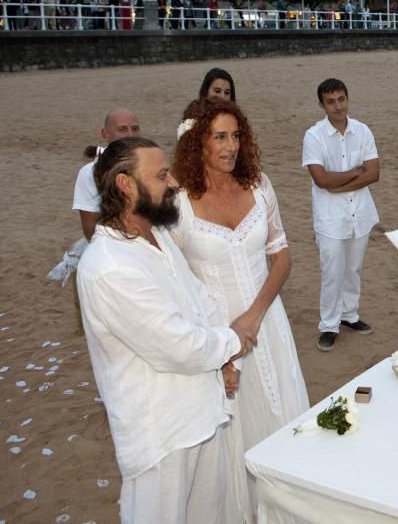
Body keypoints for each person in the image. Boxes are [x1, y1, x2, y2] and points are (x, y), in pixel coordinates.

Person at [77, 136, 255, 524]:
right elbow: (176, 345)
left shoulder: (154, 235)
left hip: (203, 415)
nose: (173, 182)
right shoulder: (108, 266)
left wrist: (224, 360)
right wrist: (232, 343)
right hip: (160, 437)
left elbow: (201, 300)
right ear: (126, 185)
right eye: (160, 175)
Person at [172, 100, 308, 523]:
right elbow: (177, 286)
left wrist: (255, 316)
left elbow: (281, 257)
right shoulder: (178, 204)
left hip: (268, 325)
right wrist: (222, 343)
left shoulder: (259, 184)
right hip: (216, 337)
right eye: (219, 137)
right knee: (232, 437)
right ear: (198, 143)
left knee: (281, 416)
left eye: (236, 136)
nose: (230, 147)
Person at [302, 78, 380, 352]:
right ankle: (329, 324)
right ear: (322, 104)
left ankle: (350, 315)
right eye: (331, 101)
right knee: (332, 271)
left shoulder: (363, 131)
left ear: (348, 98)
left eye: (341, 99)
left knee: (353, 268)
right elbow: (321, 180)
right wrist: (354, 173)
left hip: (360, 212)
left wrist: (341, 182)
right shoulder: (314, 136)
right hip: (330, 217)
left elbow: (374, 173)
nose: (338, 106)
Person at [74, 109, 142, 242]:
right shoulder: (89, 173)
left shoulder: (151, 165)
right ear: (105, 134)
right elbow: (90, 229)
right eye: (122, 129)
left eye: (135, 129)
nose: (130, 135)